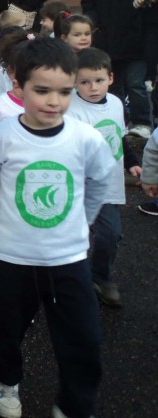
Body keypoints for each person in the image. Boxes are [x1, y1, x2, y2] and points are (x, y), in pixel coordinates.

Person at [0, 37, 115, 418]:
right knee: (7, 329)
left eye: (64, 92)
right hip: (12, 257)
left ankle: (74, 404)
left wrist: (83, 222)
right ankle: (5, 381)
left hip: (68, 258)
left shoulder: (86, 138)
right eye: (42, 90)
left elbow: (100, 182)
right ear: (19, 86)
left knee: (83, 338)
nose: (54, 101)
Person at [66, 47, 142, 307]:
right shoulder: (71, 109)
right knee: (70, 237)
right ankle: (66, 280)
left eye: (99, 80)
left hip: (107, 185)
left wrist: (132, 162)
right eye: (85, 82)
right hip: (78, 185)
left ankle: (100, 276)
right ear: (74, 82)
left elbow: (118, 136)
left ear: (110, 78)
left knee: (111, 235)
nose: (93, 87)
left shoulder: (116, 103)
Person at [81, 0, 151, 138]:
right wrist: (94, 25)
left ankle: (143, 123)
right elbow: (88, 2)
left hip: (136, 39)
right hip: (106, 39)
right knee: (113, 85)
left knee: (135, 84)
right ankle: (119, 122)